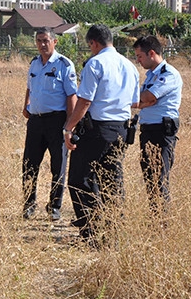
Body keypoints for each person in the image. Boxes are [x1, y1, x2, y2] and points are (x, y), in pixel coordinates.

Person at [63, 24, 140, 243]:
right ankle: (113, 231)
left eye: (90, 46)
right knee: (112, 181)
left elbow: (85, 101)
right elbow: (134, 102)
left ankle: (92, 232)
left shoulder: (95, 63)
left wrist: (69, 127)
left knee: (80, 180)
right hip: (122, 129)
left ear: (93, 43)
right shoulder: (130, 66)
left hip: (98, 129)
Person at [21, 28, 78, 220]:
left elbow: (72, 95)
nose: (42, 44)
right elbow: (30, 87)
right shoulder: (34, 64)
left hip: (56, 121)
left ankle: (54, 206)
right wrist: (26, 105)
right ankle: (29, 205)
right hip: (36, 121)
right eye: (38, 41)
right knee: (29, 164)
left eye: (45, 40)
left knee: (58, 165)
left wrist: (69, 126)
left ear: (54, 42)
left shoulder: (64, 64)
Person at [133, 35, 182, 216]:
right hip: (148, 130)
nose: (138, 60)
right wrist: (143, 101)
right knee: (149, 178)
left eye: (140, 56)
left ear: (151, 53)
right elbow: (143, 101)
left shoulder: (168, 74)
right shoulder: (151, 76)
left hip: (162, 131)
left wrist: (144, 101)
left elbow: (146, 98)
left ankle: (161, 223)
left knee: (159, 178)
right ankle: (156, 218)